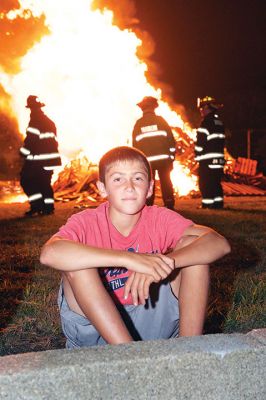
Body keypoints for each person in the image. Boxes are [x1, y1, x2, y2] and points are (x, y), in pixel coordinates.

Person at [40, 146, 230, 348]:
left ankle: (190, 353)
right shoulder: (87, 221)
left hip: (150, 320)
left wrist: (164, 264)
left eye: (138, 178)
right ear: (103, 188)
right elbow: (49, 253)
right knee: (77, 264)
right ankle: (129, 356)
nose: (129, 186)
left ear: (149, 188)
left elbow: (218, 243)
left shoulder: (158, 218)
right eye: (118, 179)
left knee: (192, 248)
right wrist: (130, 259)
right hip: (96, 333)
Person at [20, 95, 61, 216]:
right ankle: (48, 208)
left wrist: (23, 153)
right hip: (50, 160)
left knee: (26, 180)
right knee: (44, 183)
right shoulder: (49, 122)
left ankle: (37, 206)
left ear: (32, 108)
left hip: (39, 160)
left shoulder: (35, 121)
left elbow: (30, 141)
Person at [132, 96, 176, 209]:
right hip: (163, 160)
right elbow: (171, 141)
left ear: (142, 109)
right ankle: (169, 203)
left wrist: (138, 162)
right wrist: (171, 157)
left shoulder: (138, 124)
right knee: (166, 181)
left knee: (148, 183)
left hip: (147, 161)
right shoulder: (161, 121)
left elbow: (135, 146)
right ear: (153, 107)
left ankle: (148, 204)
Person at [194, 96, 225, 209]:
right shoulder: (219, 122)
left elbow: (200, 142)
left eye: (202, 108)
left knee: (205, 183)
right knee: (216, 183)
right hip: (219, 159)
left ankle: (206, 205)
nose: (201, 111)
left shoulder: (206, 122)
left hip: (207, 160)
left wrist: (197, 156)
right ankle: (218, 204)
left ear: (207, 107)